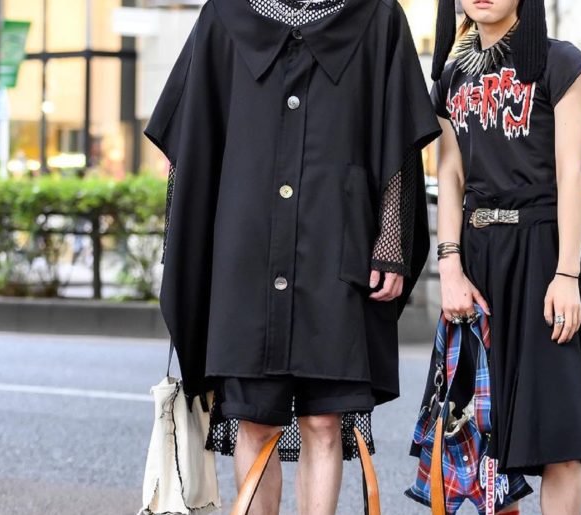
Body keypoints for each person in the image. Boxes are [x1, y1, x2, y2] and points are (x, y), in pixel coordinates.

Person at [144, 0, 441, 513]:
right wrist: (196, 247)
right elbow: (188, 135)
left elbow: (399, 136)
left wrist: (391, 243)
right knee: (255, 421)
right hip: (245, 252)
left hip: (337, 244)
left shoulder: (377, 16)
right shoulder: (226, 14)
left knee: (325, 420)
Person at [429, 0, 581, 513]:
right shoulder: (450, 76)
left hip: (540, 254)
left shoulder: (561, 63)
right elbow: (449, 173)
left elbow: (570, 174)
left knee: (560, 439)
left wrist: (567, 274)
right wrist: (448, 263)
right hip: (474, 257)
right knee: (479, 440)